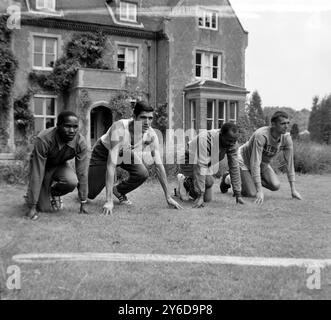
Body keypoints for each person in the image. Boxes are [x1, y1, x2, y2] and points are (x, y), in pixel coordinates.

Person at [88, 100, 182, 214]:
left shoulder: (151, 135)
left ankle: (118, 191)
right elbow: (111, 164)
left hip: (125, 152)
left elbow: (159, 165)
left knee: (142, 173)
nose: (147, 122)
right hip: (103, 152)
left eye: (150, 118)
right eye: (143, 117)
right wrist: (108, 201)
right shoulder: (119, 128)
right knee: (90, 194)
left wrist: (168, 196)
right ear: (134, 116)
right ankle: (82, 184)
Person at [220, 111, 302, 204]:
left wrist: (293, 190)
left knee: (275, 185)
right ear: (273, 124)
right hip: (244, 160)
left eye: (288, 123)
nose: (286, 126)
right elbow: (255, 162)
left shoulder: (286, 139)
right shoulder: (261, 135)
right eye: (283, 123)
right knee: (251, 193)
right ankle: (228, 178)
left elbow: (289, 164)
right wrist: (259, 191)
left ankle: (246, 180)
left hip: (262, 164)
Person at [25, 111, 89, 220]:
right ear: (58, 126)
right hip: (41, 165)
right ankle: (31, 197)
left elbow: (82, 172)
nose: (72, 131)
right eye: (67, 126)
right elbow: (37, 173)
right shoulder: (44, 139)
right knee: (44, 208)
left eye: (75, 127)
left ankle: (53, 193)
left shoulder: (80, 142)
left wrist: (83, 202)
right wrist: (32, 207)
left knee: (72, 181)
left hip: (60, 165)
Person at [177, 122, 244, 208]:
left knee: (207, 197)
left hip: (204, 163)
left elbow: (234, 167)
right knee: (205, 187)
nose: (232, 144)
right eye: (229, 141)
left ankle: (191, 184)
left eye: (234, 141)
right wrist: (200, 194)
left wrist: (238, 193)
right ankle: (184, 182)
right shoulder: (205, 139)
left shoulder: (232, 143)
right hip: (188, 161)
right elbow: (200, 166)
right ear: (221, 134)